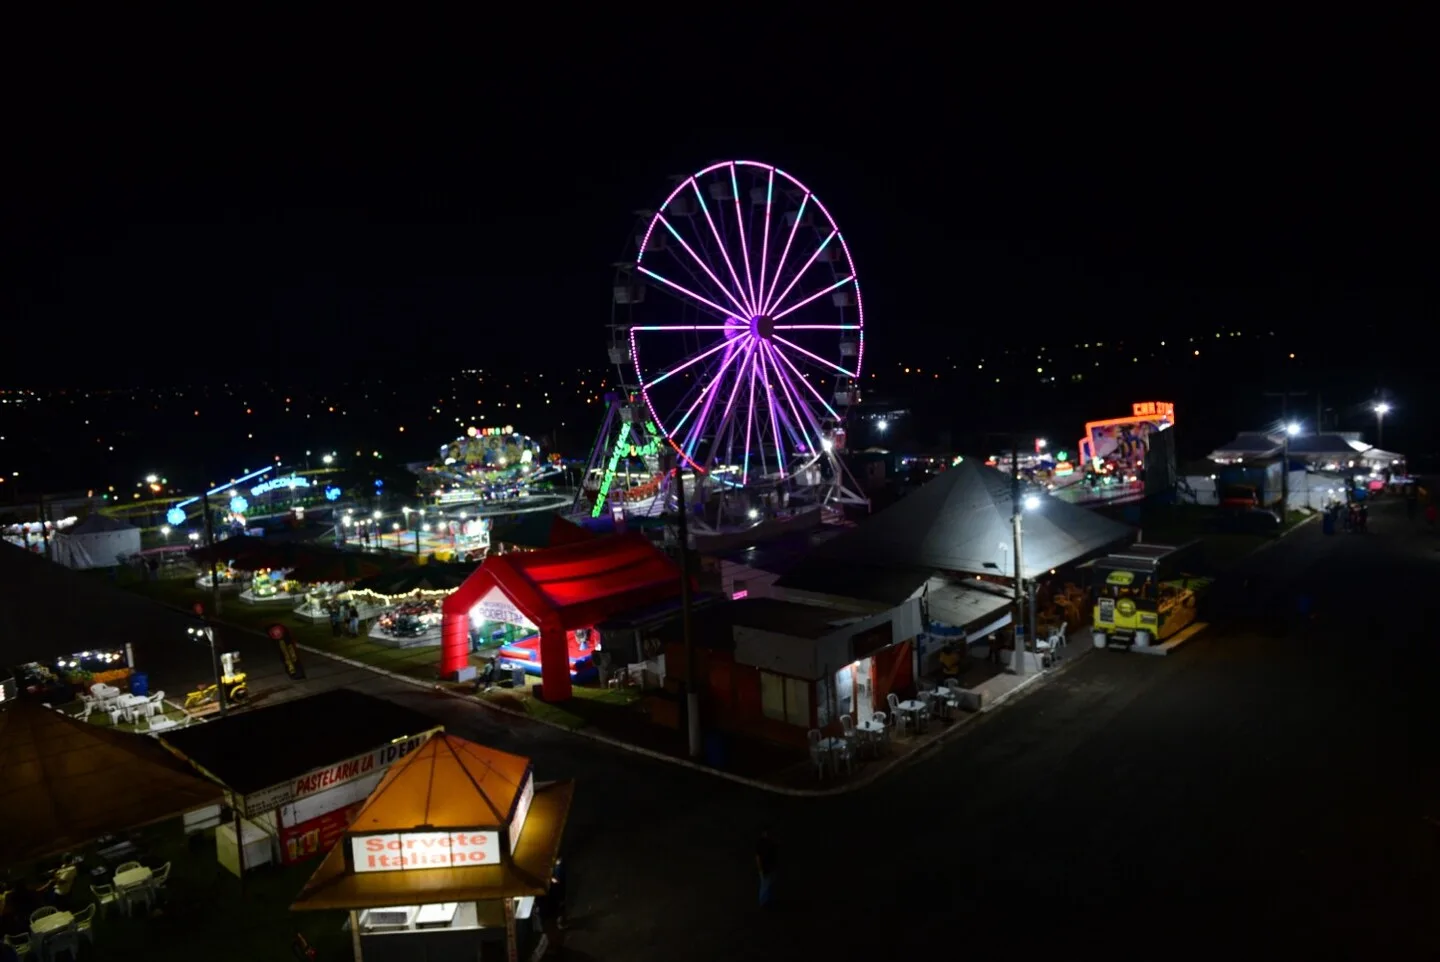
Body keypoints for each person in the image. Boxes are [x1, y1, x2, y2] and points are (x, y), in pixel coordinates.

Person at [755, 829, 777, 907]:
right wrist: (760, 868)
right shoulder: (761, 843)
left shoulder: (771, 843)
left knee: (769, 885)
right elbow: (758, 857)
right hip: (765, 868)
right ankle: (764, 903)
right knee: (765, 885)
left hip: (770, 868)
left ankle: (768, 902)